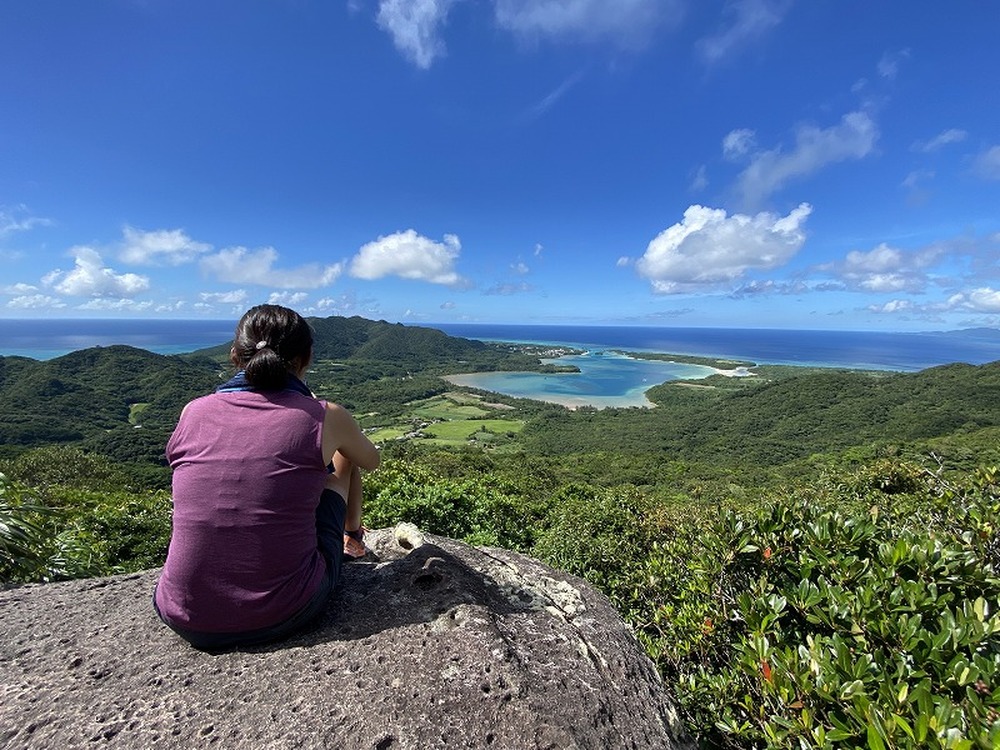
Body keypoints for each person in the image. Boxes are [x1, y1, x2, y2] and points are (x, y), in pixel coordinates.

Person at [153, 304, 379, 650]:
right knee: (343, 457)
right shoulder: (324, 415)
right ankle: (354, 539)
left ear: (234, 354)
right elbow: (370, 459)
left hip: (181, 612)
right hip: (284, 610)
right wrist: (316, 415)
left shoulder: (194, 410)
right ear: (307, 357)